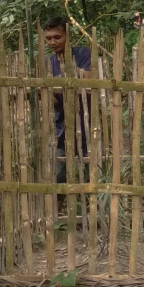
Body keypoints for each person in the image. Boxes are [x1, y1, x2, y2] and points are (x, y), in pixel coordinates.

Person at [44, 16, 91, 181]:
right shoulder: (48, 63)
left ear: (68, 36)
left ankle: (96, 207)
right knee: (58, 175)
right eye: (48, 38)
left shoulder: (85, 54)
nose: (52, 42)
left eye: (57, 37)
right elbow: (51, 99)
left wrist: (55, 83)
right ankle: (57, 207)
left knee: (92, 174)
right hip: (60, 126)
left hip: (88, 124)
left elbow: (86, 83)